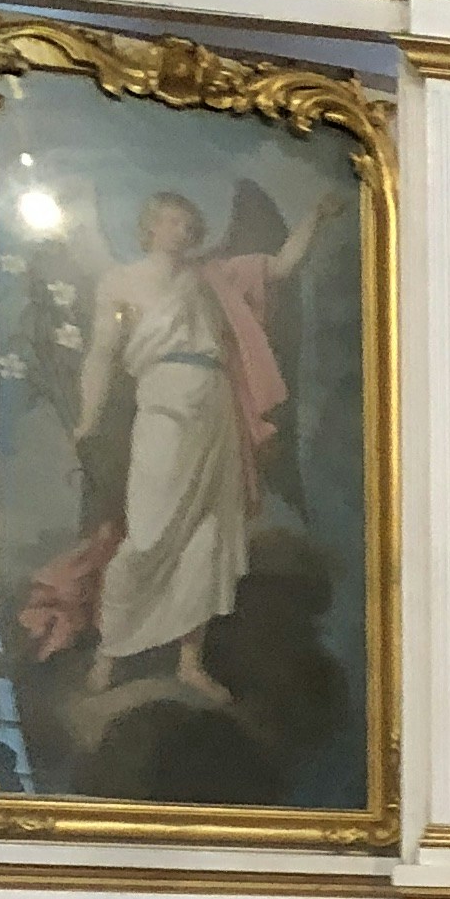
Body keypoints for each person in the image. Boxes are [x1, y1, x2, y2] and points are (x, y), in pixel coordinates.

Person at [70, 179, 342, 703]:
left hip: (215, 406)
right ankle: (112, 651)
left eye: (191, 221)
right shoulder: (121, 281)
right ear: (150, 226)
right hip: (164, 402)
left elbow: (281, 267)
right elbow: (101, 356)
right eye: (174, 219)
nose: (186, 228)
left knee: (209, 534)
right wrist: (87, 419)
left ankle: (189, 662)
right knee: (149, 532)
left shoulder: (214, 277)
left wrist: (314, 216)